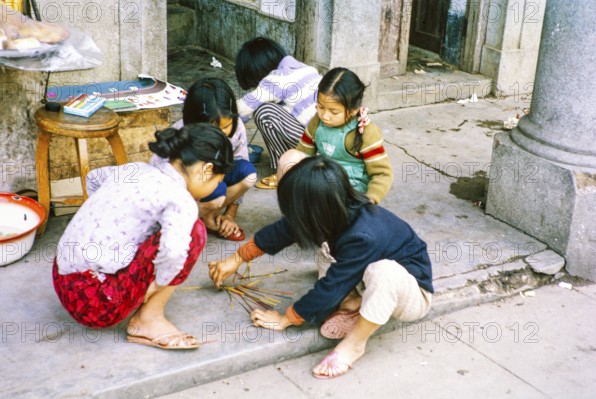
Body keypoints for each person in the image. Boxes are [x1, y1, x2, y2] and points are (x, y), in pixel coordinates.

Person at [208, 156, 433, 378]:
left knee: (383, 272)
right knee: (328, 248)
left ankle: (354, 344)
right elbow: (284, 230)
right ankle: (353, 302)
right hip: (362, 277)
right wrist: (236, 259)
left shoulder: (363, 234)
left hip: (410, 293)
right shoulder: (334, 209)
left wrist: (286, 319)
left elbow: (331, 287)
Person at [53, 123, 233, 350]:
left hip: (62, 274)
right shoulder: (180, 198)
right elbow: (174, 252)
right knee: (194, 232)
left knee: (161, 228)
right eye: (218, 181)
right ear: (207, 170)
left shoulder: (136, 168)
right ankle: (149, 319)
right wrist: (156, 286)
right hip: (95, 304)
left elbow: (94, 178)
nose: (216, 187)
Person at [276, 67, 393, 204]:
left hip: (351, 191)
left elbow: (382, 173)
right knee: (289, 158)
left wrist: (370, 200)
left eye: (334, 112)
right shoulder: (317, 122)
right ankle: (293, 210)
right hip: (326, 181)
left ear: (353, 110)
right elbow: (302, 154)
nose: (325, 116)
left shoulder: (366, 132)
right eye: (320, 107)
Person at [173, 77, 257, 241]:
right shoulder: (180, 134)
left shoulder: (237, 126)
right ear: (194, 121)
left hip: (214, 180)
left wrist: (230, 214)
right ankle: (195, 220)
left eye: (225, 127)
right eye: (212, 128)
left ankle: (208, 215)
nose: (219, 134)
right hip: (189, 191)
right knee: (217, 191)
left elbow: (240, 160)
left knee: (248, 173)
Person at [235, 36, 321, 186]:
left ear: (258, 71)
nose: (257, 86)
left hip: (317, 147)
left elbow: (244, 108)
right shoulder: (305, 69)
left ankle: (284, 170)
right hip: (330, 144)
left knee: (264, 111)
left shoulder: (278, 77)